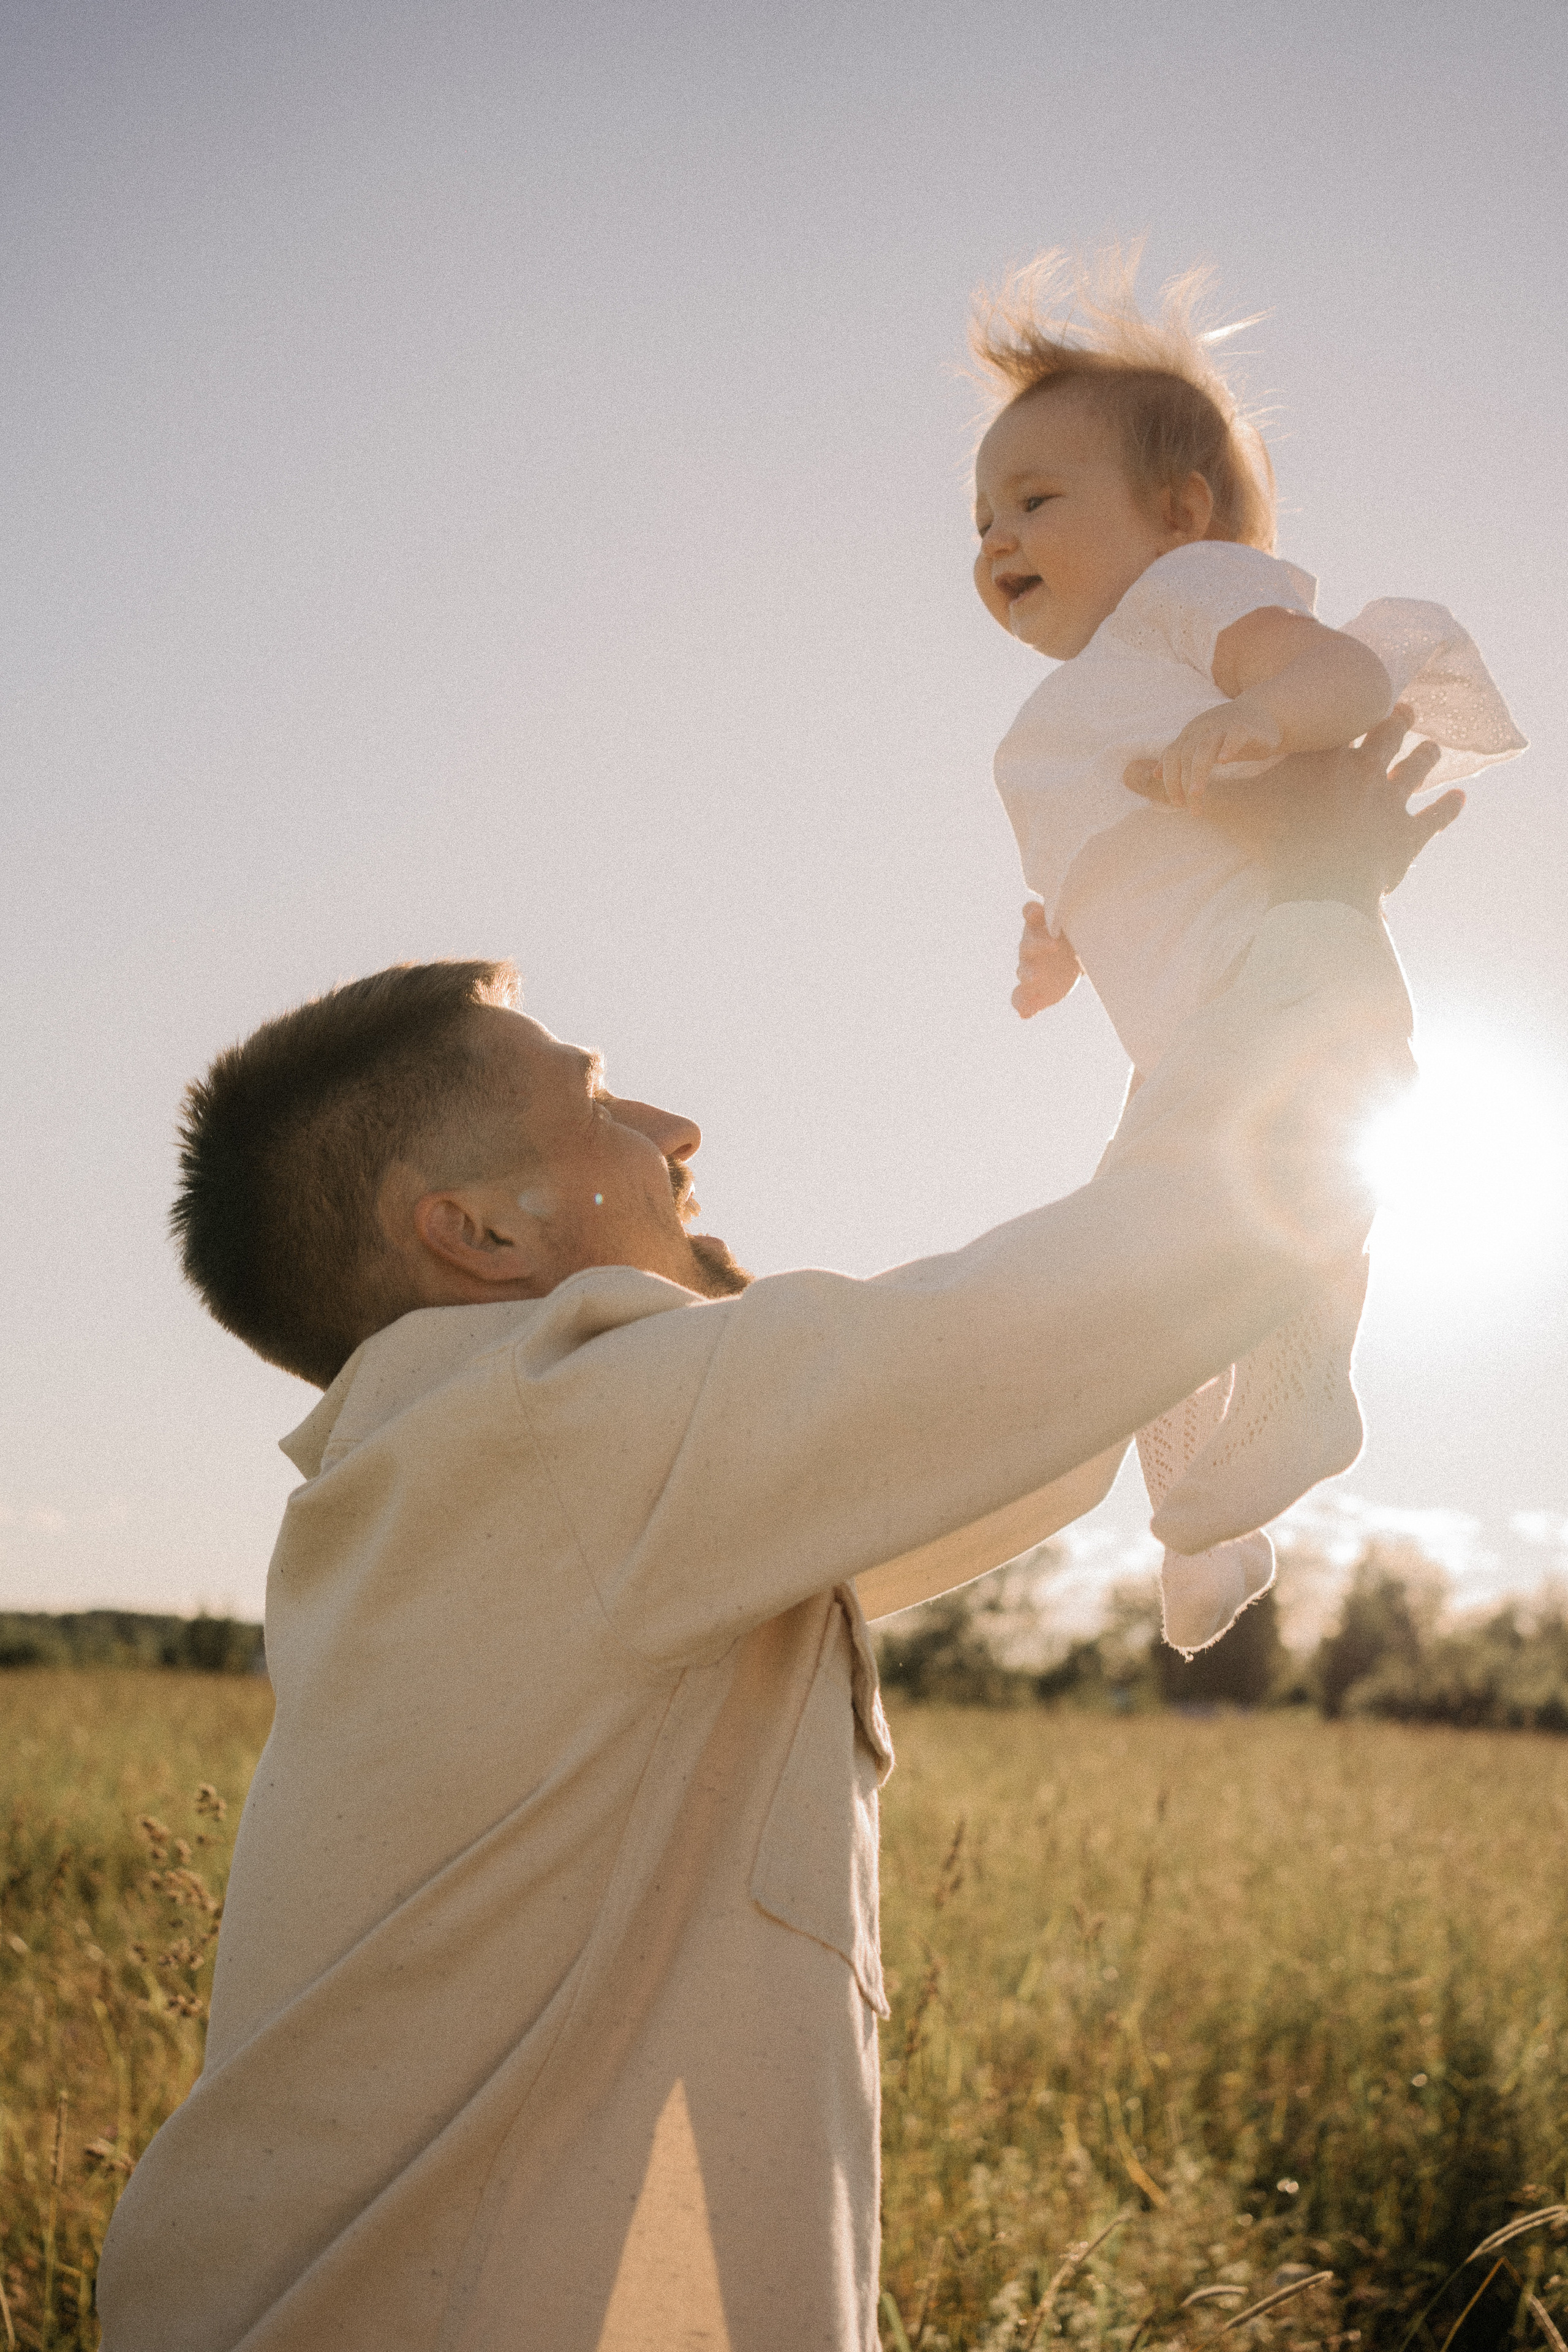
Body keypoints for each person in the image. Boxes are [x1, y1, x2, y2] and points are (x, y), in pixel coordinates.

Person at [97, 717, 1454, 2352]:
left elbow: (1042, 1401)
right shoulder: (571, 1438)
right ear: (476, 1233)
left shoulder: (492, 1485)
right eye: (597, 1102)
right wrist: (1309, 903)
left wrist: (1190, 973)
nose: (675, 1130)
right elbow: (1131, 1285)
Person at [973, 247, 1525, 1656]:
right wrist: (1059, 950)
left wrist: (1262, 721)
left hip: (1279, 967)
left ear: (1176, 511)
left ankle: (1304, 1387)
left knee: (1283, 1188)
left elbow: (1336, 669)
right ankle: (1204, 1537)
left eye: (1033, 501)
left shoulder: (1189, 596)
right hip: (1185, 1020)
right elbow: (1109, 859)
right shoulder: (1076, 711)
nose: (994, 541)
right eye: (979, 522)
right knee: (1138, 1255)